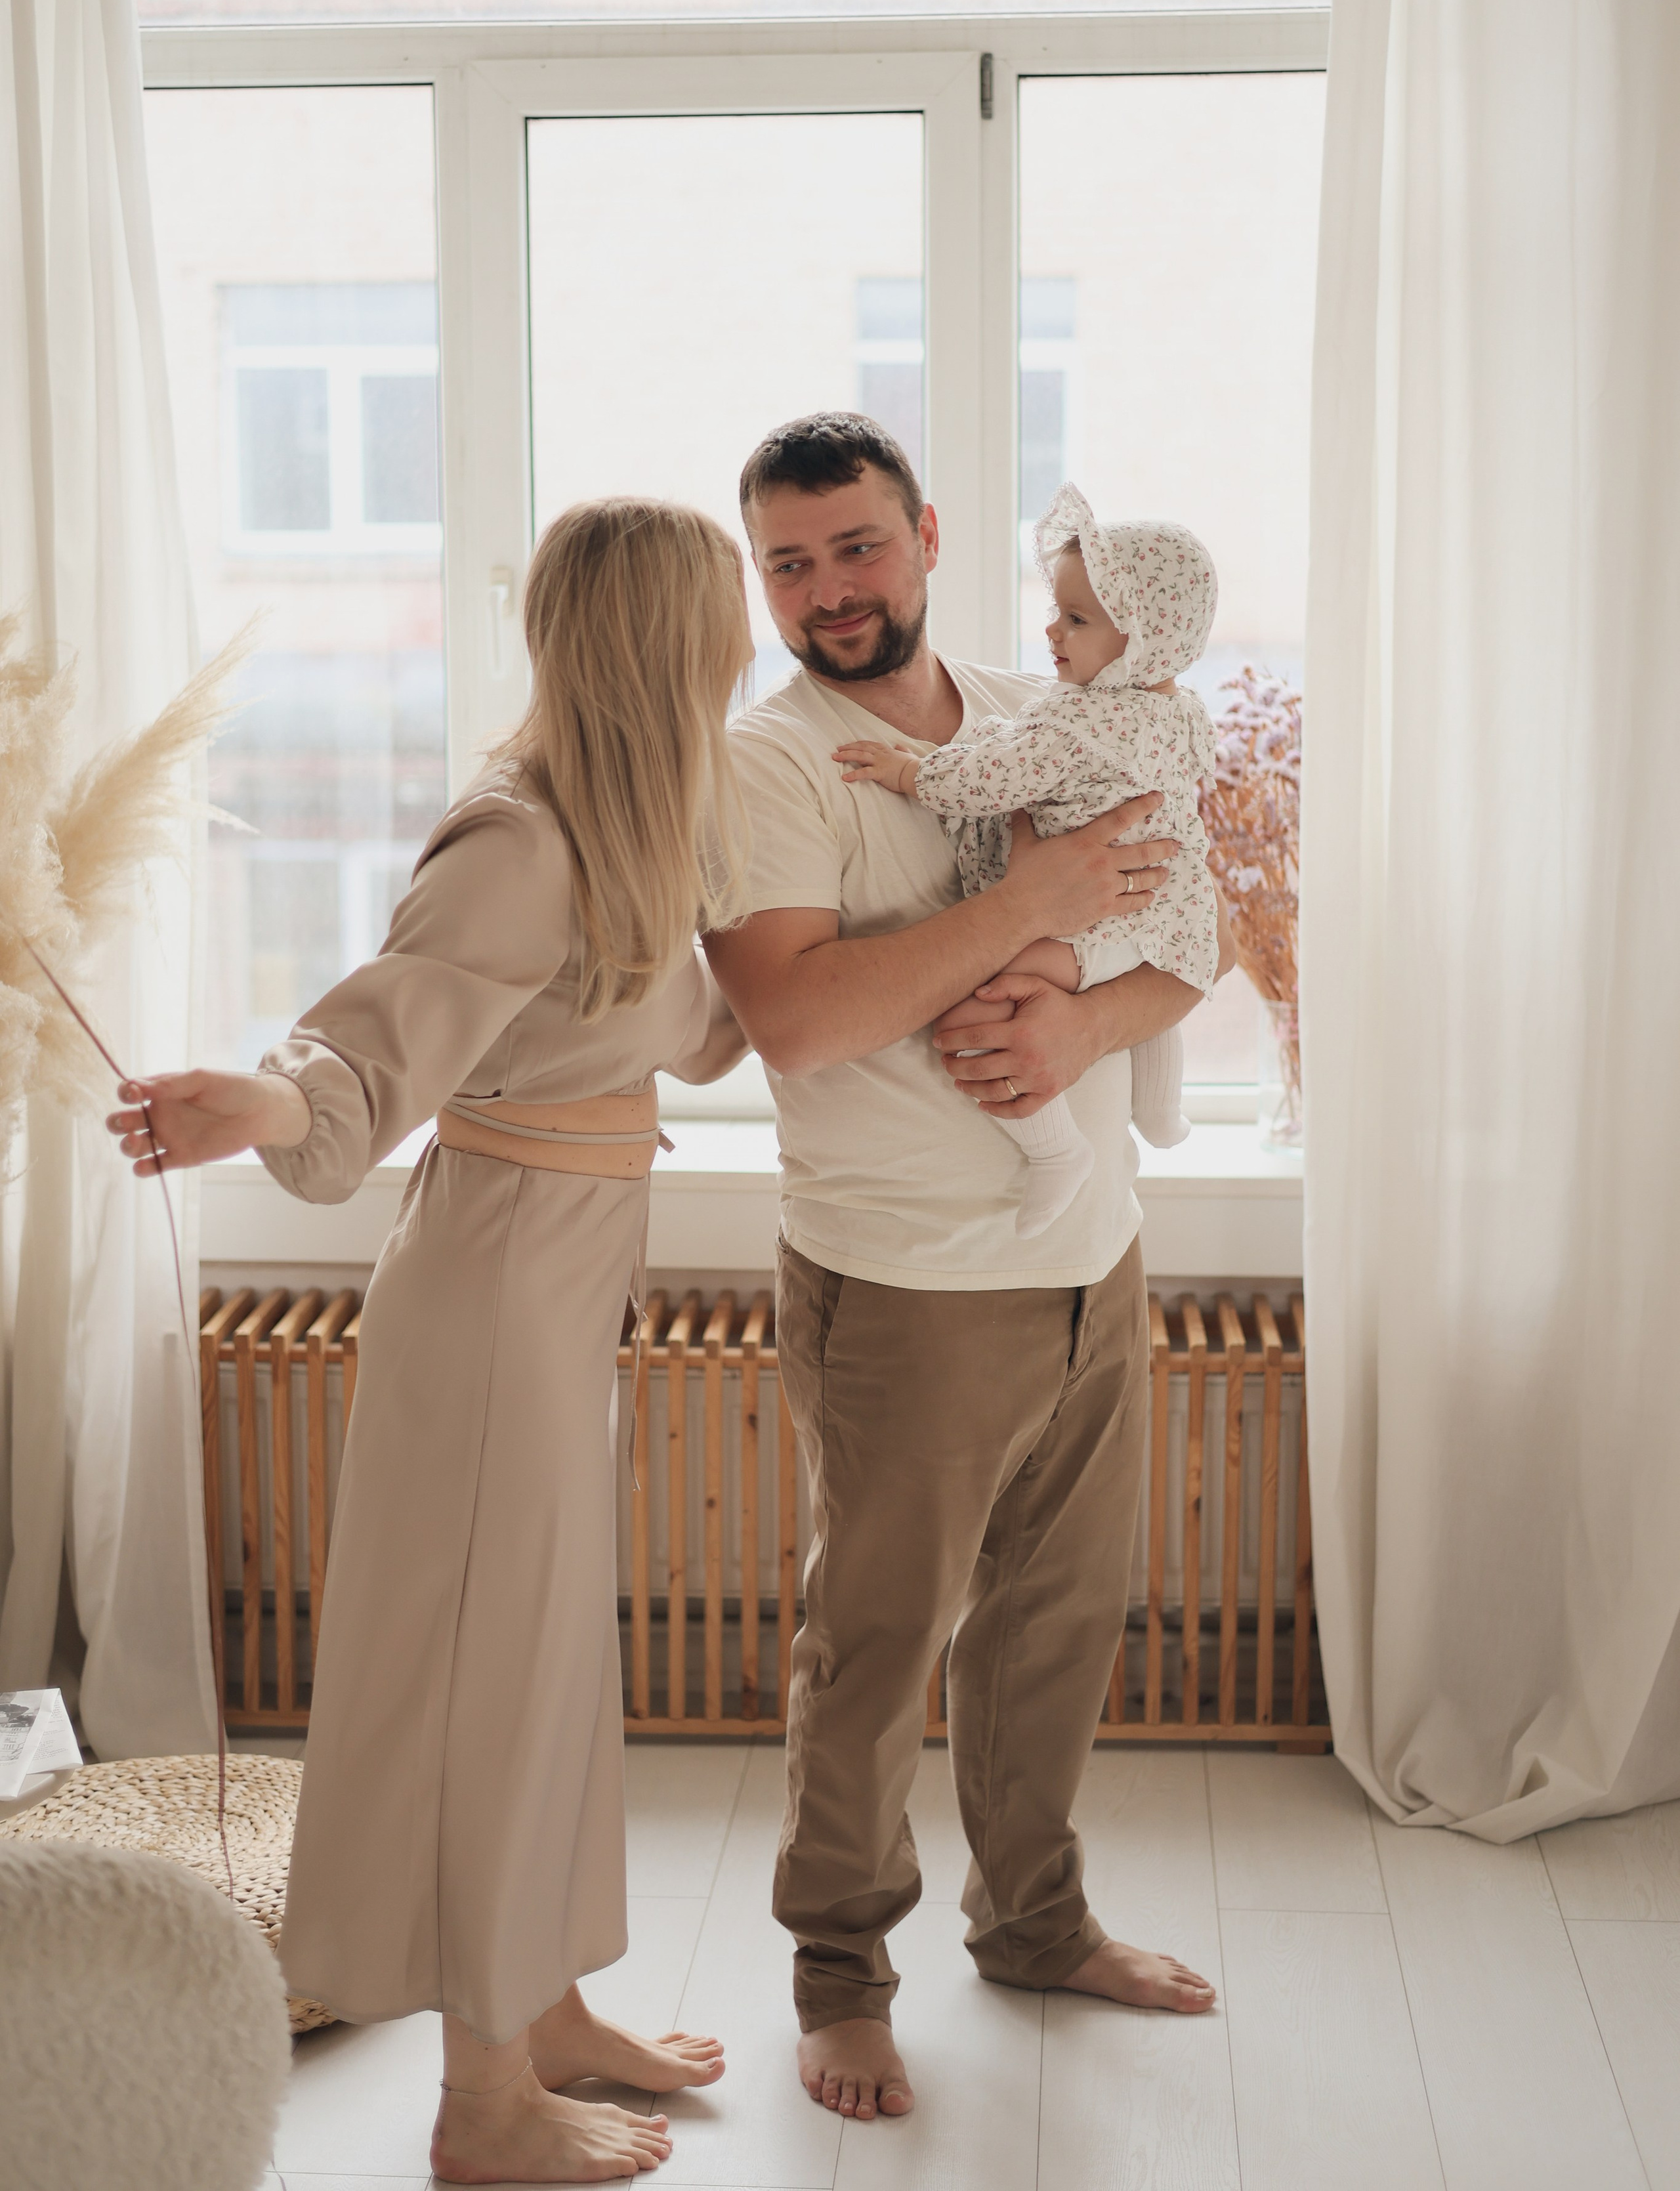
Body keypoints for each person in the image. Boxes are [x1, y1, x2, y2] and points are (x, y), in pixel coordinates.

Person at [108, 500, 753, 2187]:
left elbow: (691, 1036)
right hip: (486, 1316)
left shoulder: (629, 826)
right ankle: (480, 2107)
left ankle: (535, 2008)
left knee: (543, 1679)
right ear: (667, 641)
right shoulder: (518, 838)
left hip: (551, 1303)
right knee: (489, 1695)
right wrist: (257, 1100)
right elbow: (364, 1052)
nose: (747, 641)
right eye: (728, 613)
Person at [704, 413, 1232, 2125]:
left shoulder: (1050, 713)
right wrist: (1039, 902)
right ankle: (842, 1979)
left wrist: (1082, 1015)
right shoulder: (770, 766)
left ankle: (1038, 1922)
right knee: (874, 1644)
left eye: (857, 547)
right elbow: (797, 1017)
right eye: (790, 563)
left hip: (1091, 1251)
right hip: (906, 1282)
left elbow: (1175, 947)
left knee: (1056, 1622)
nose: (829, 589)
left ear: (926, 537)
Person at [833, 484, 1221, 1233]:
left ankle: (1054, 1152)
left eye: (1076, 619)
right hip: (1170, 921)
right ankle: (1161, 1110)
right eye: (1057, 609)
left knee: (975, 1003)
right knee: (1164, 979)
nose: (1052, 629)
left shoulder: (1077, 721)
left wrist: (909, 771)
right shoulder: (1180, 712)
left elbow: (989, 780)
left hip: (1091, 929)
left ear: (1141, 640)